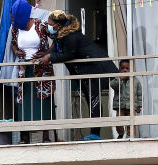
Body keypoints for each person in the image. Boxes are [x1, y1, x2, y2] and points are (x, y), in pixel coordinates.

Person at [34, 10, 118, 139]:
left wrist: (50, 57)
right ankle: (95, 133)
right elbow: (57, 49)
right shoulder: (62, 34)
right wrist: (44, 55)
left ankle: (96, 134)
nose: (48, 25)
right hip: (87, 70)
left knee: (94, 100)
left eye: (50, 23)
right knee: (92, 100)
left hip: (94, 69)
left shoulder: (70, 35)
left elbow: (68, 54)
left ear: (57, 24)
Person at [8, 0, 55, 143]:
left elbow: (58, 40)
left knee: (44, 100)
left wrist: (47, 53)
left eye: (16, 17)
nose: (14, 20)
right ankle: (24, 136)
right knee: (24, 102)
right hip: (24, 69)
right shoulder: (16, 28)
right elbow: (14, 44)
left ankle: (46, 136)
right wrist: (16, 51)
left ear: (22, 14)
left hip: (42, 68)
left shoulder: (40, 25)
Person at [110, 59, 142, 138]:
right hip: (120, 105)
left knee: (131, 122)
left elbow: (139, 94)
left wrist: (139, 105)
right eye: (122, 68)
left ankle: (129, 136)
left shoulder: (136, 81)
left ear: (131, 70)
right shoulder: (117, 79)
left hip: (132, 106)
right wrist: (120, 79)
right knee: (119, 122)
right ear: (119, 70)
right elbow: (113, 85)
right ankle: (121, 133)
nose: (125, 70)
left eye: (127, 68)